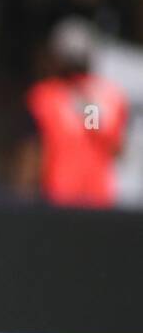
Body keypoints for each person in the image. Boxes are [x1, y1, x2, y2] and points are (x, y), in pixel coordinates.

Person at [16, 18, 128, 208]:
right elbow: (117, 149)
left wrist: (21, 200)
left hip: (59, 201)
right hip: (100, 203)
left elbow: (32, 153)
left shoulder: (44, 97)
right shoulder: (112, 97)